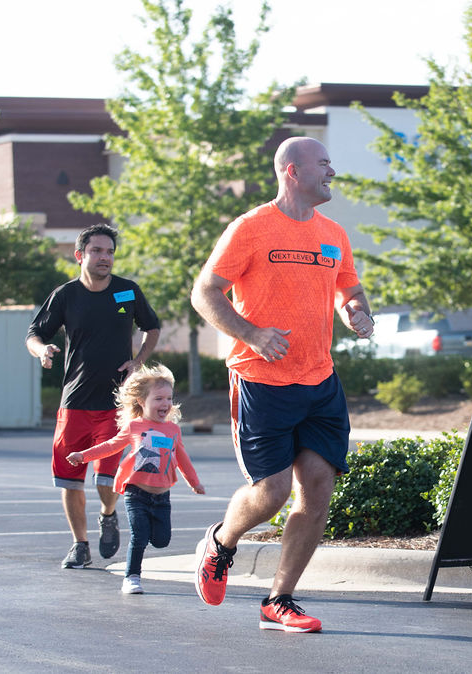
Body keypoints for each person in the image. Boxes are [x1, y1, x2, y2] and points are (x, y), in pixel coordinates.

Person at [189, 136, 374, 633]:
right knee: (270, 494)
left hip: (320, 380)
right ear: (292, 171)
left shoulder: (334, 233)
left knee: (317, 489)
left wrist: (356, 310)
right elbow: (204, 292)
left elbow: (348, 288)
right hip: (261, 379)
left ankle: (281, 598)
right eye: (323, 163)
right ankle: (222, 542)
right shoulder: (251, 228)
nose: (331, 171)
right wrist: (250, 333)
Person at [26, 223, 161, 570]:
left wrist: (138, 361)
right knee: (69, 477)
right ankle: (79, 544)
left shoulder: (127, 291)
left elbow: (152, 326)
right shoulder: (66, 295)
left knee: (106, 478)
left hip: (116, 405)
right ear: (80, 255)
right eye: (97, 251)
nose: (105, 258)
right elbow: (34, 333)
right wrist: (42, 351)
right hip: (74, 403)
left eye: (110, 252)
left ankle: (108, 514)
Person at [66, 364, 205, 594]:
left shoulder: (173, 430)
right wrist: (83, 456)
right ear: (142, 401)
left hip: (162, 496)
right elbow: (110, 446)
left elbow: (182, 458)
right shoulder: (135, 426)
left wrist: (194, 482)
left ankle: (145, 544)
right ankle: (132, 577)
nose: (165, 404)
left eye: (169, 398)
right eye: (158, 398)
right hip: (136, 493)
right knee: (139, 535)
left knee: (161, 541)